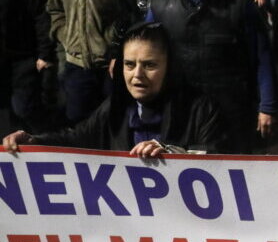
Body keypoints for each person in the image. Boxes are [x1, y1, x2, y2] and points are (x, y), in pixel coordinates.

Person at [3, 22, 227, 155]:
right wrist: (34, 141)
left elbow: (218, 162)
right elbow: (76, 138)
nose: (137, 75)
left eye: (149, 65)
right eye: (129, 65)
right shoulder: (116, 107)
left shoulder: (202, 109)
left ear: (170, 68)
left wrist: (172, 155)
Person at [148, 0, 278, 153]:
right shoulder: (160, 4)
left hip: (231, 112)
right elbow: (145, 54)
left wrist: (267, 106)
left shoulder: (240, 3)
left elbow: (262, 57)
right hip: (181, 112)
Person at [47, 0, 131, 124]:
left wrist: (112, 44)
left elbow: (128, 14)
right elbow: (55, 10)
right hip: (76, 63)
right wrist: (66, 36)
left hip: (110, 64)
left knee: (113, 120)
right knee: (78, 119)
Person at [0, 0, 50, 133]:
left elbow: (41, 17)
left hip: (23, 57)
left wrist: (44, 53)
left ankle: (41, 144)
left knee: (24, 108)